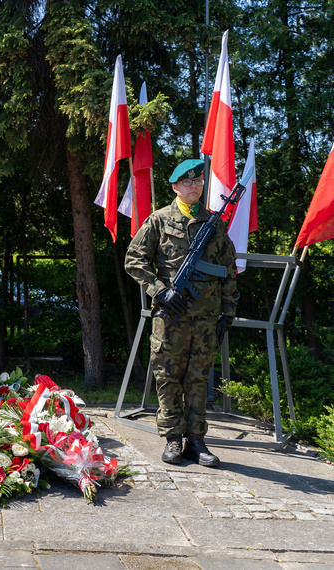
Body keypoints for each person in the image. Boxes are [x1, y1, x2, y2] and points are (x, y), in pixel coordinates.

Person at [124, 158, 238, 468]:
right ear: (175, 186)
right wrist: (160, 291)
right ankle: (173, 438)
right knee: (168, 376)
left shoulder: (215, 224)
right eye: (187, 182)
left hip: (205, 317)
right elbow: (134, 261)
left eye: (198, 181)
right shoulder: (158, 221)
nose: (194, 186)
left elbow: (228, 270)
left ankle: (196, 441)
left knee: (199, 379)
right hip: (170, 317)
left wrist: (228, 310)